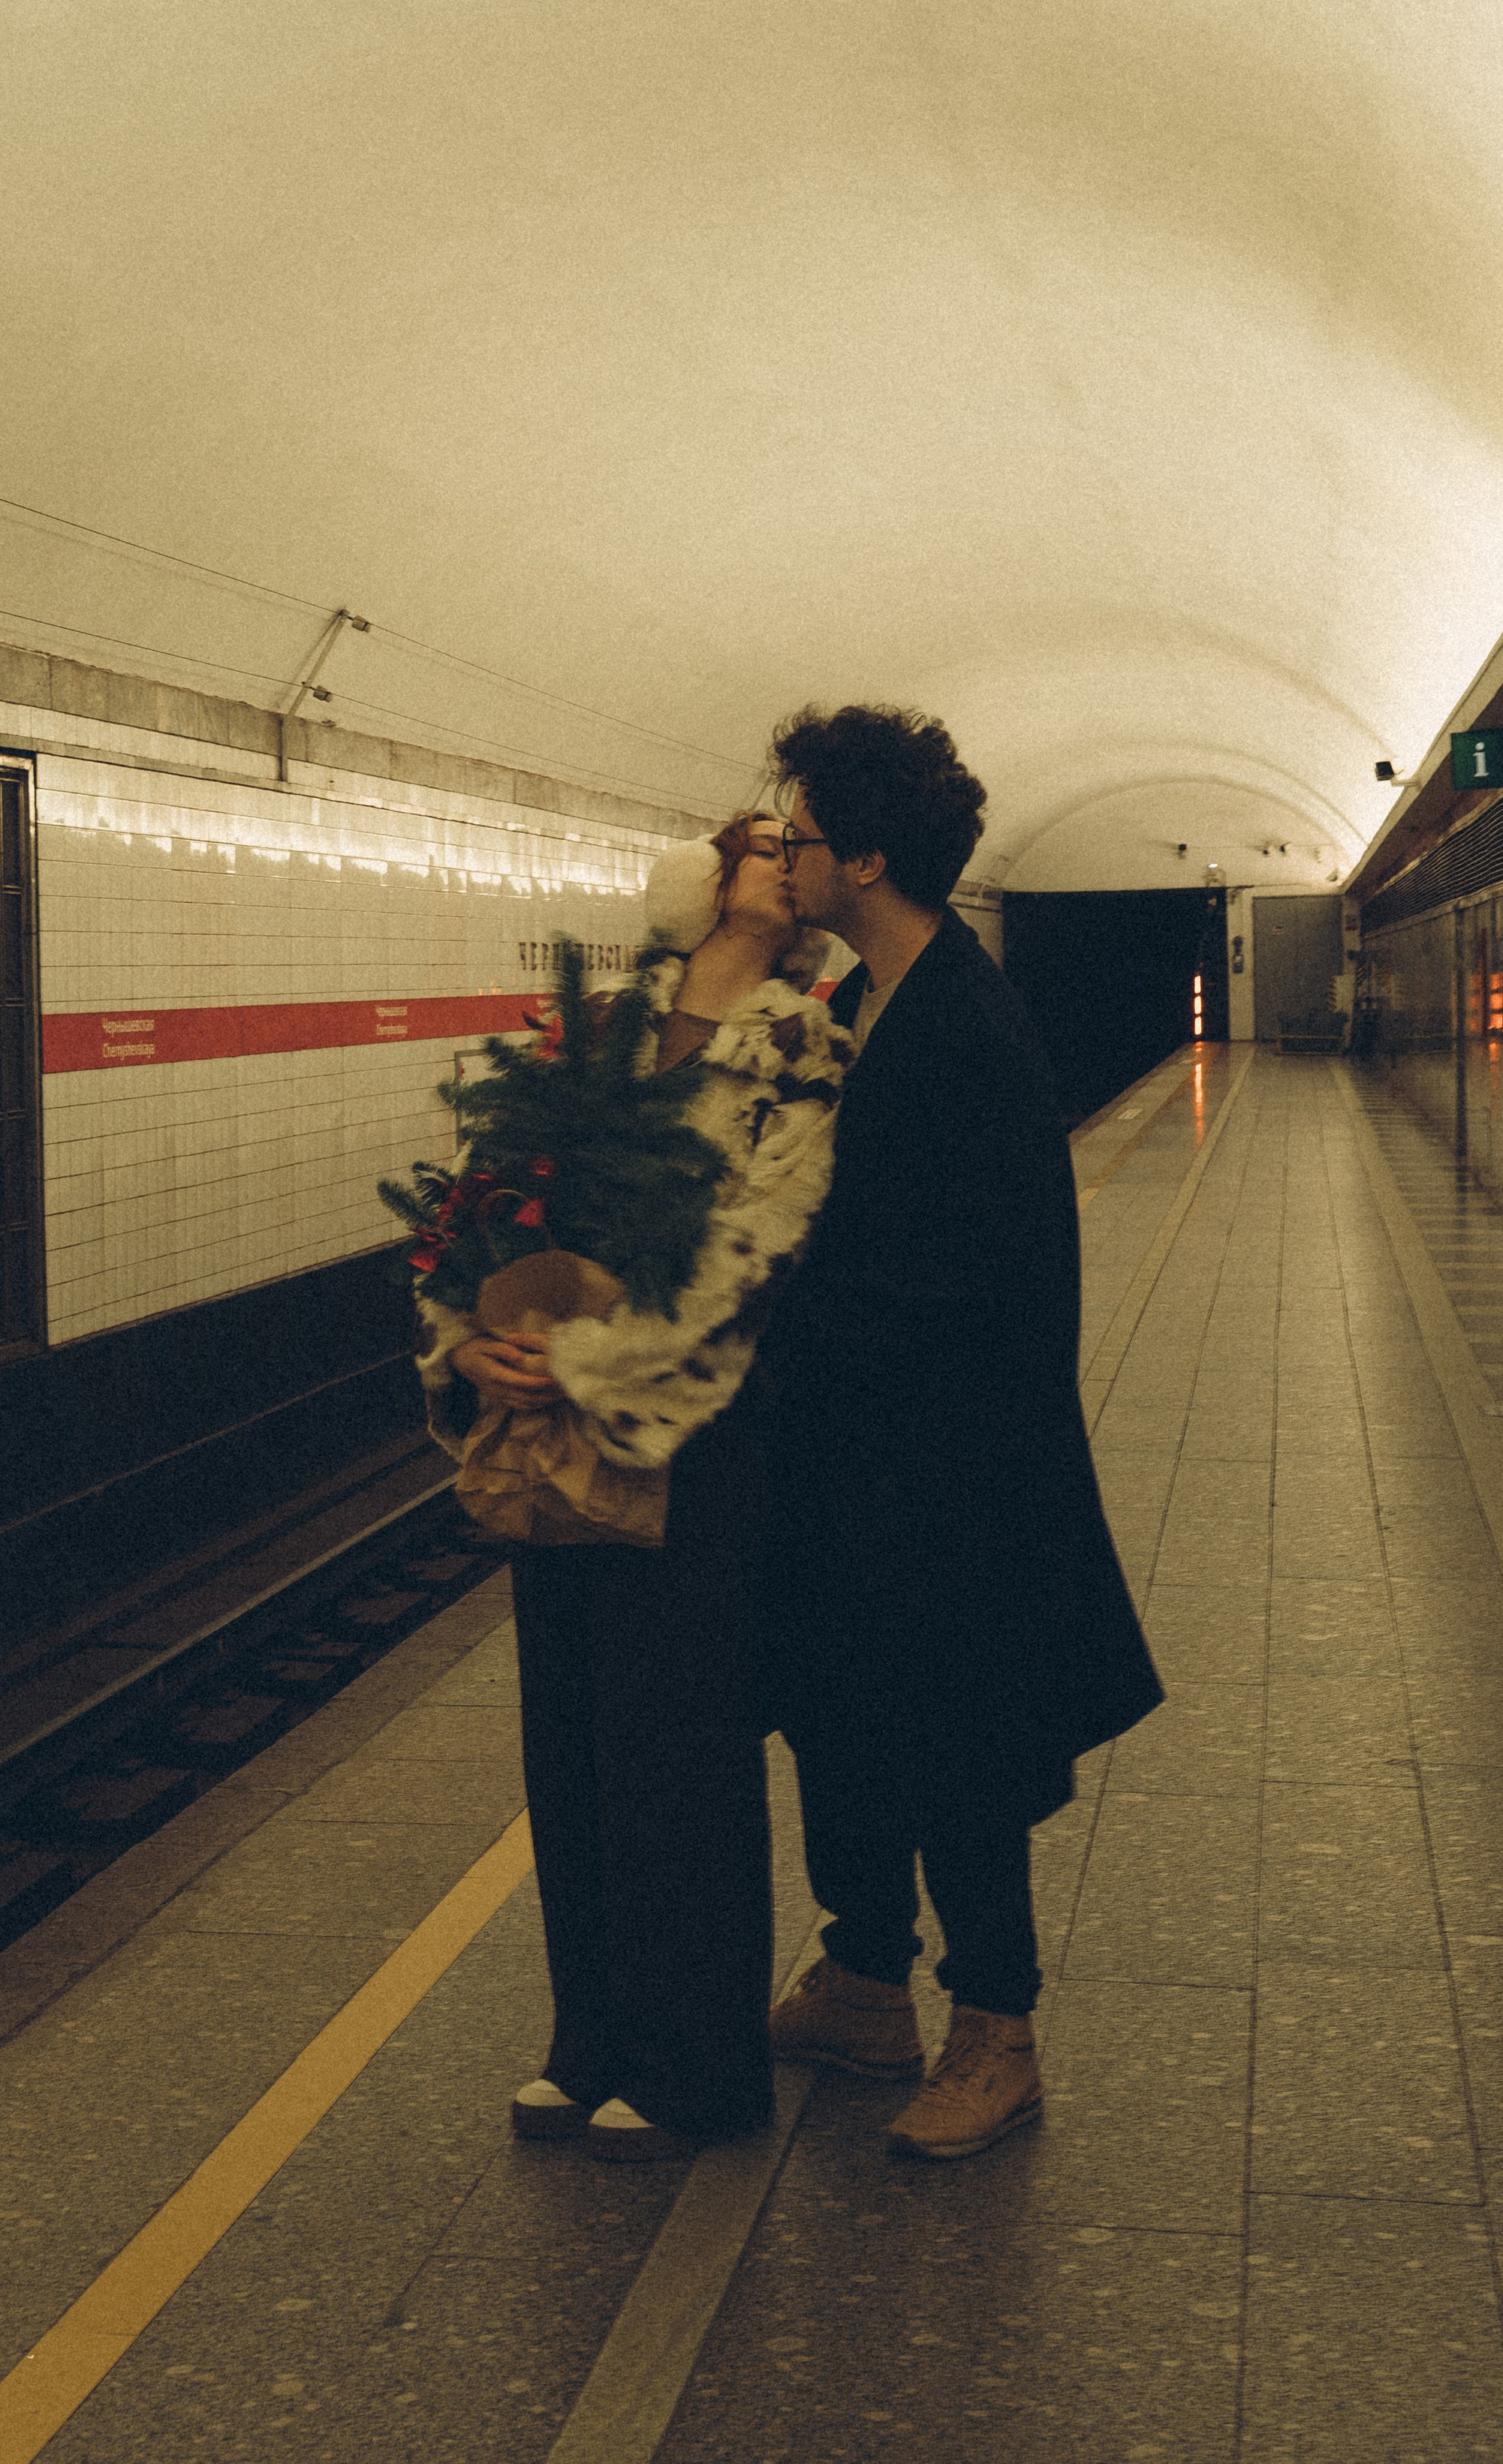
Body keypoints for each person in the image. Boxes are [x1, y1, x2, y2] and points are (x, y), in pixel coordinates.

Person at [417, 814, 855, 2160]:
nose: (788, 859)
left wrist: (590, 1359)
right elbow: (480, 1205)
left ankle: (697, 2065)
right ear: (706, 878)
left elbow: (758, 1246)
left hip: (694, 1440)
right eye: (761, 843)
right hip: (555, 1446)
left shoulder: (805, 1042)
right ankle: (589, 2038)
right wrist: (466, 1338)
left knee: (681, 1751)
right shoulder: (598, 1033)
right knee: (574, 1745)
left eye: (801, 847)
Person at [759, 706, 1163, 2159]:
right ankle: (866, 1978)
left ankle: (998, 2032)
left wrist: (761, 1322)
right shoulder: (863, 1004)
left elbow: (961, 1282)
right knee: (841, 1717)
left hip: (950, 1470)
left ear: (862, 855)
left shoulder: (962, 1031)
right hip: (862, 1457)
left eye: (796, 837)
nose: (781, 858)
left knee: (955, 1746)